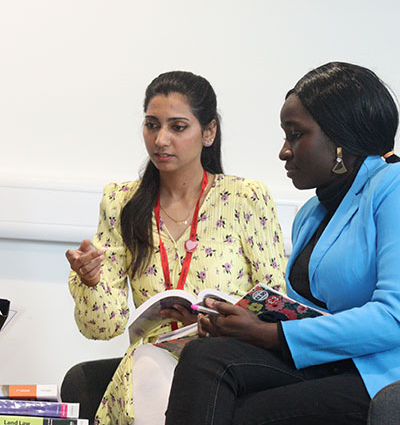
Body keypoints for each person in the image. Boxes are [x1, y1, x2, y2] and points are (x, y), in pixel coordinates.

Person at [164, 62, 400, 425]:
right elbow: (301, 311)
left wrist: (271, 334)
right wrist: (241, 321)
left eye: (296, 134)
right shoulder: (311, 213)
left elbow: (393, 318)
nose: (284, 151)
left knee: (241, 414)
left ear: (342, 140)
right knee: (205, 356)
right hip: (326, 363)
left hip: (379, 375)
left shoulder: (392, 188)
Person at [65, 71, 287, 425]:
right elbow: (103, 328)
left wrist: (222, 321)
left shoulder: (245, 197)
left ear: (209, 132)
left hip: (227, 360)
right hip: (154, 363)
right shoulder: (122, 201)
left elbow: (273, 302)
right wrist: (91, 282)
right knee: (148, 368)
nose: (161, 139)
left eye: (178, 127)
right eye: (152, 125)